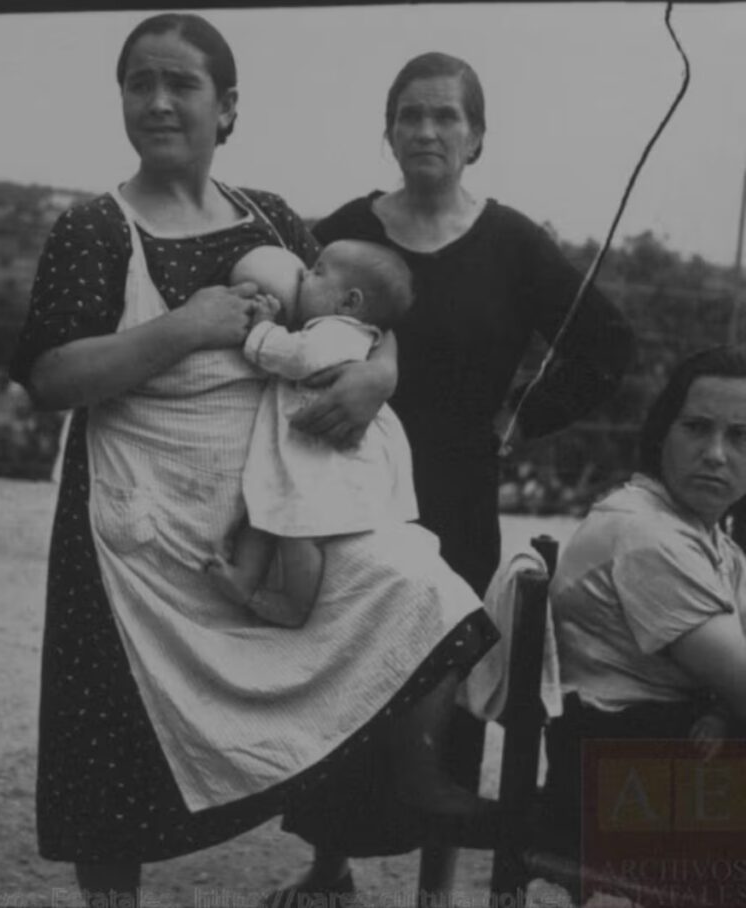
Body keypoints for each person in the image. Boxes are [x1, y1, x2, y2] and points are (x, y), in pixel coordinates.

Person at [9, 14, 500, 906]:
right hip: (140, 520)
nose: (160, 102)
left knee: (418, 587)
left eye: (182, 84)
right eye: (140, 83)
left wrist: (378, 379)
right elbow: (49, 376)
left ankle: (411, 775)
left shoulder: (267, 214)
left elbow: (357, 318)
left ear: (227, 107)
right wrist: (182, 328)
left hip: (275, 503)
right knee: (109, 727)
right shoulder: (93, 227)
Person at [298, 51, 635, 894]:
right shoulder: (346, 228)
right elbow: (283, 325)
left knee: (443, 679)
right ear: (388, 131)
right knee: (341, 675)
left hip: (457, 490)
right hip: (347, 487)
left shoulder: (514, 243)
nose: (427, 129)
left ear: (477, 136)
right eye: (410, 114)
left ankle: (435, 888)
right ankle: (328, 868)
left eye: (446, 115)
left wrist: (521, 417)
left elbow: (608, 344)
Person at [543, 345, 746, 858]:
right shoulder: (646, 533)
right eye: (697, 428)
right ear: (661, 434)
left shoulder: (710, 541)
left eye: (741, 437)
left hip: (660, 765)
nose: (716, 454)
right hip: (619, 784)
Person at [205, 240, 418, 628]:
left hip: (327, 459)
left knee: (300, 529)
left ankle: (296, 605)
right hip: (304, 451)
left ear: (349, 302)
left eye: (317, 271)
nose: (303, 274)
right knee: (267, 511)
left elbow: (299, 357)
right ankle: (244, 578)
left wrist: (262, 329)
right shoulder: (332, 330)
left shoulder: (341, 332)